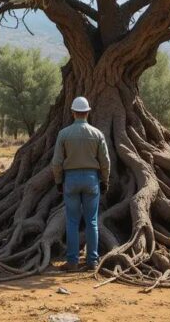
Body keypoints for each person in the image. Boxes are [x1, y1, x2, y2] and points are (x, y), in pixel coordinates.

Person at [51, 96, 111, 272]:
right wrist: (105, 180)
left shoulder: (64, 134)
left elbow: (56, 162)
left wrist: (58, 181)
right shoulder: (97, 134)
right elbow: (105, 161)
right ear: (87, 113)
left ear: (73, 112)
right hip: (92, 179)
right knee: (92, 221)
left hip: (71, 179)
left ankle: (72, 261)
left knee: (72, 222)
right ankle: (92, 261)